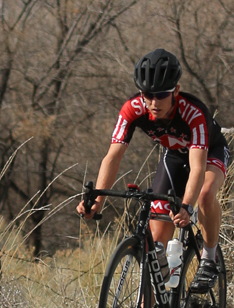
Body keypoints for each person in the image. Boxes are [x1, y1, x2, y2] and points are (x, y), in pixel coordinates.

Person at [77, 48, 226, 289]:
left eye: (161, 95)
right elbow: (113, 156)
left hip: (209, 153)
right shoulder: (133, 109)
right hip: (175, 156)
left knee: (206, 194)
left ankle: (209, 258)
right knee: (155, 247)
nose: (154, 103)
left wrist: (186, 207)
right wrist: (98, 200)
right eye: (148, 94)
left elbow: (198, 169)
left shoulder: (193, 113)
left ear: (175, 91)